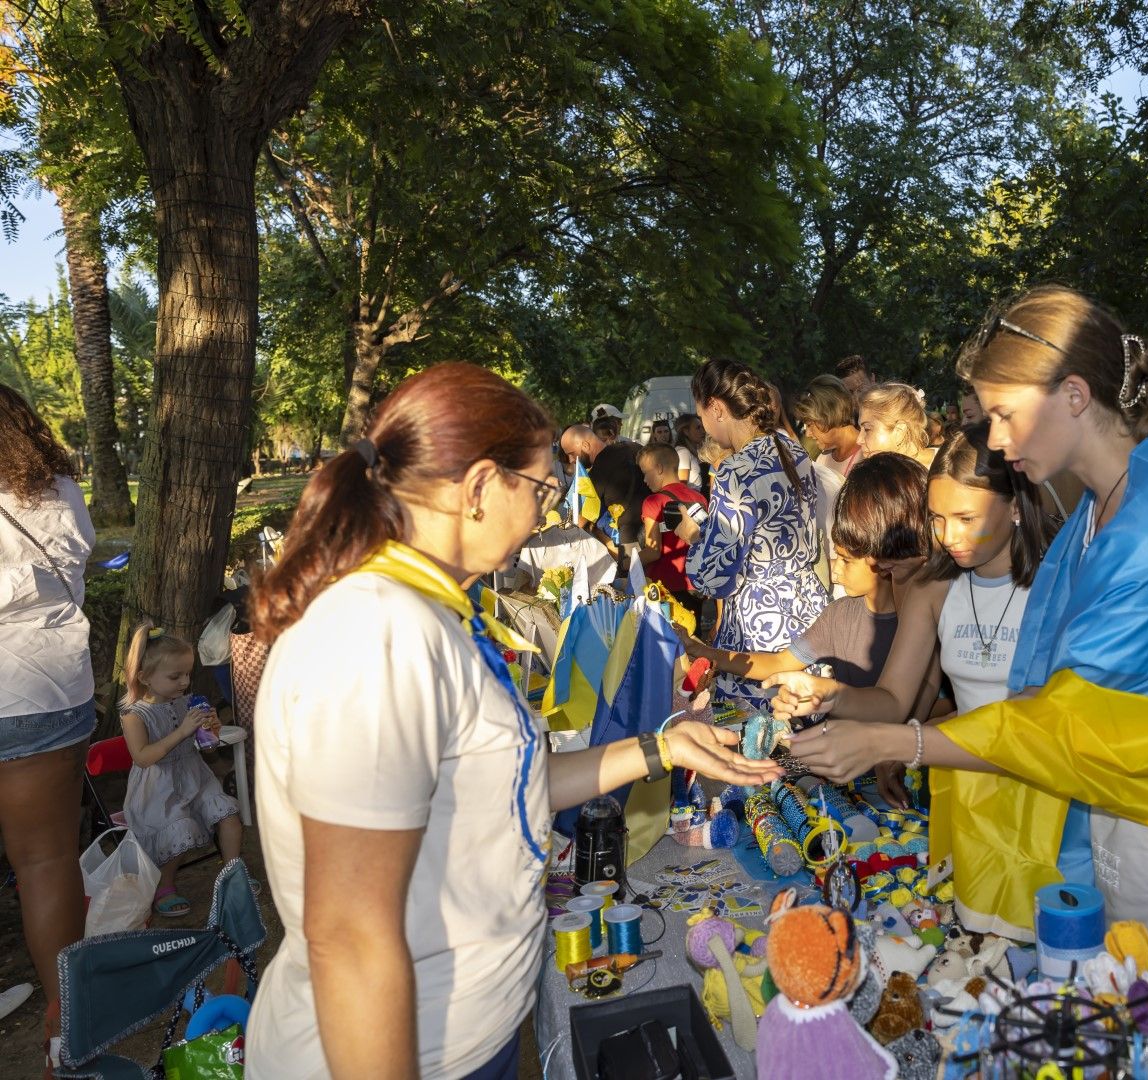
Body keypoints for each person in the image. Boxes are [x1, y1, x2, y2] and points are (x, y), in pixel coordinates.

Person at [775, 286, 1148, 1056]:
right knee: (1123, 1038)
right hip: (1124, 807)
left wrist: (895, 745)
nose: (997, 442)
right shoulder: (1103, 507)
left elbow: (1067, 719)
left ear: (1075, 395)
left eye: (1004, 414)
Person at [245, 363, 777, 1080]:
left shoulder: (425, 614)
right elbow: (350, 935)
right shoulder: (374, 637)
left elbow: (500, 783)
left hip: (463, 1034)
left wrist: (657, 748)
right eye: (541, 488)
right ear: (479, 488)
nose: (544, 512)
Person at [770, 424, 1060, 940]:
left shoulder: (1055, 582)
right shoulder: (933, 587)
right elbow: (895, 699)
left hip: (1049, 801)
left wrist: (895, 742)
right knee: (983, 942)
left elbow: (1041, 722)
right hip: (968, 797)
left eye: (965, 518)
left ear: (1016, 505)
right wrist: (828, 694)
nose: (947, 536)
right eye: (937, 518)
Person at [0, 384, 94, 1074]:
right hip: (47, 689)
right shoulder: (58, 488)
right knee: (44, 862)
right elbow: (78, 569)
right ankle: (66, 1027)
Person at [678, 454, 925, 692]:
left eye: (846, 561)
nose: (836, 574)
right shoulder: (838, 615)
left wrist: (832, 697)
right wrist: (701, 650)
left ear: (883, 556)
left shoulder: (922, 616)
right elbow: (778, 663)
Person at [673, 359, 828, 712]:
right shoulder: (795, 450)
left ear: (716, 408)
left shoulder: (736, 470)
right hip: (808, 610)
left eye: (703, 417)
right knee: (806, 727)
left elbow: (712, 577)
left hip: (760, 625)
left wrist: (694, 539)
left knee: (762, 741)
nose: (707, 429)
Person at [118, 624, 245, 917]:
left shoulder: (187, 703)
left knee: (229, 816)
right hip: (157, 787)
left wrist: (210, 732)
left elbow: (209, 750)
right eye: (175, 676)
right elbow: (143, 758)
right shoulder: (133, 715)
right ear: (144, 677)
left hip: (194, 776)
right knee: (180, 828)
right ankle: (165, 885)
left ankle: (231, 878)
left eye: (187, 673)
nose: (184, 682)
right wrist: (183, 731)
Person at [795, 375, 863, 594]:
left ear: (825, 416)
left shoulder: (866, 455)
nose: (808, 432)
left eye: (811, 424)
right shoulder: (822, 458)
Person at [558, 424, 653, 556]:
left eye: (571, 454)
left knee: (633, 575)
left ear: (585, 445)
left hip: (631, 540)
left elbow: (580, 520)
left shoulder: (598, 470)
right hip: (656, 532)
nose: (571, 460)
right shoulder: (634, 447)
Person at [636, 442, 707, 612]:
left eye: (645, 474)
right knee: (692, 634)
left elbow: (653, 550)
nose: (644, 480)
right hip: (695, 583)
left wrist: (626, 563)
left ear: (659, 468)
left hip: (666, 586)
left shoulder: (653, 502)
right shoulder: (699, 497)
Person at [857, 382, 934, 465]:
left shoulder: (947, 468)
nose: (858, 440)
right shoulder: (878, 471)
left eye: (867, 429)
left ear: (900, 431)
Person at [674, 412, 708, 493]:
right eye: (698, 428)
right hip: (692, 500)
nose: (703, 431)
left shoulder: (694, 450)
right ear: (686, 431)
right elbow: (682, 484)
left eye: (703, 427)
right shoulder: (683, 452)